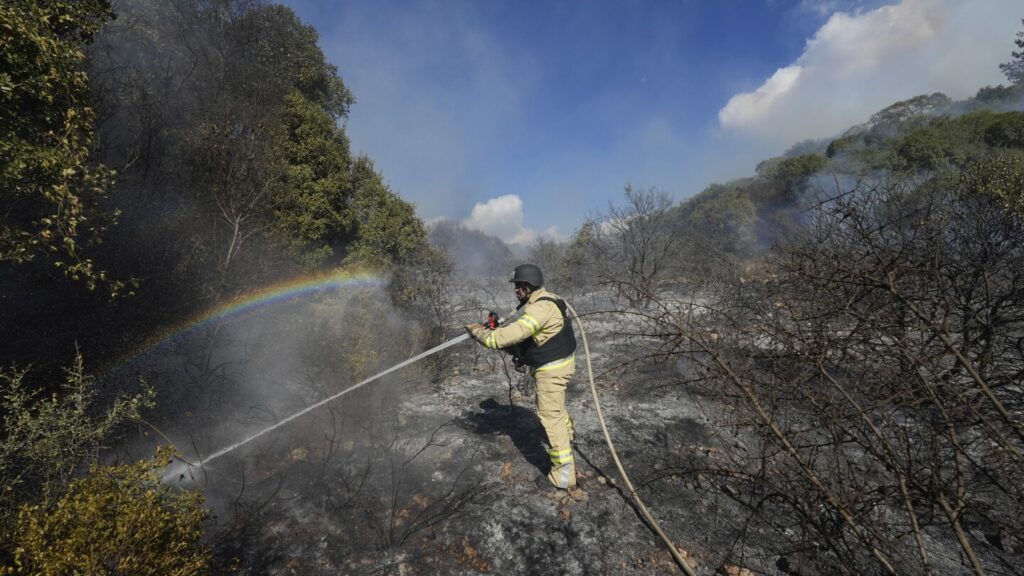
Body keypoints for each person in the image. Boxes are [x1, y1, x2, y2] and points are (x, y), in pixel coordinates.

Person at [465, 264, 578, 490]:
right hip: (560, 365)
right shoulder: (547, 299)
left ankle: (563, 477)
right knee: (557, 409)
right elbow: (529, 336)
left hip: (552, 371)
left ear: (528, 285)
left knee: (551, 416)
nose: (515, 290)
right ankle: (569, 436)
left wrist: (480, 332)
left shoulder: (540, 309)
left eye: (518, 286)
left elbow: (506, 337)